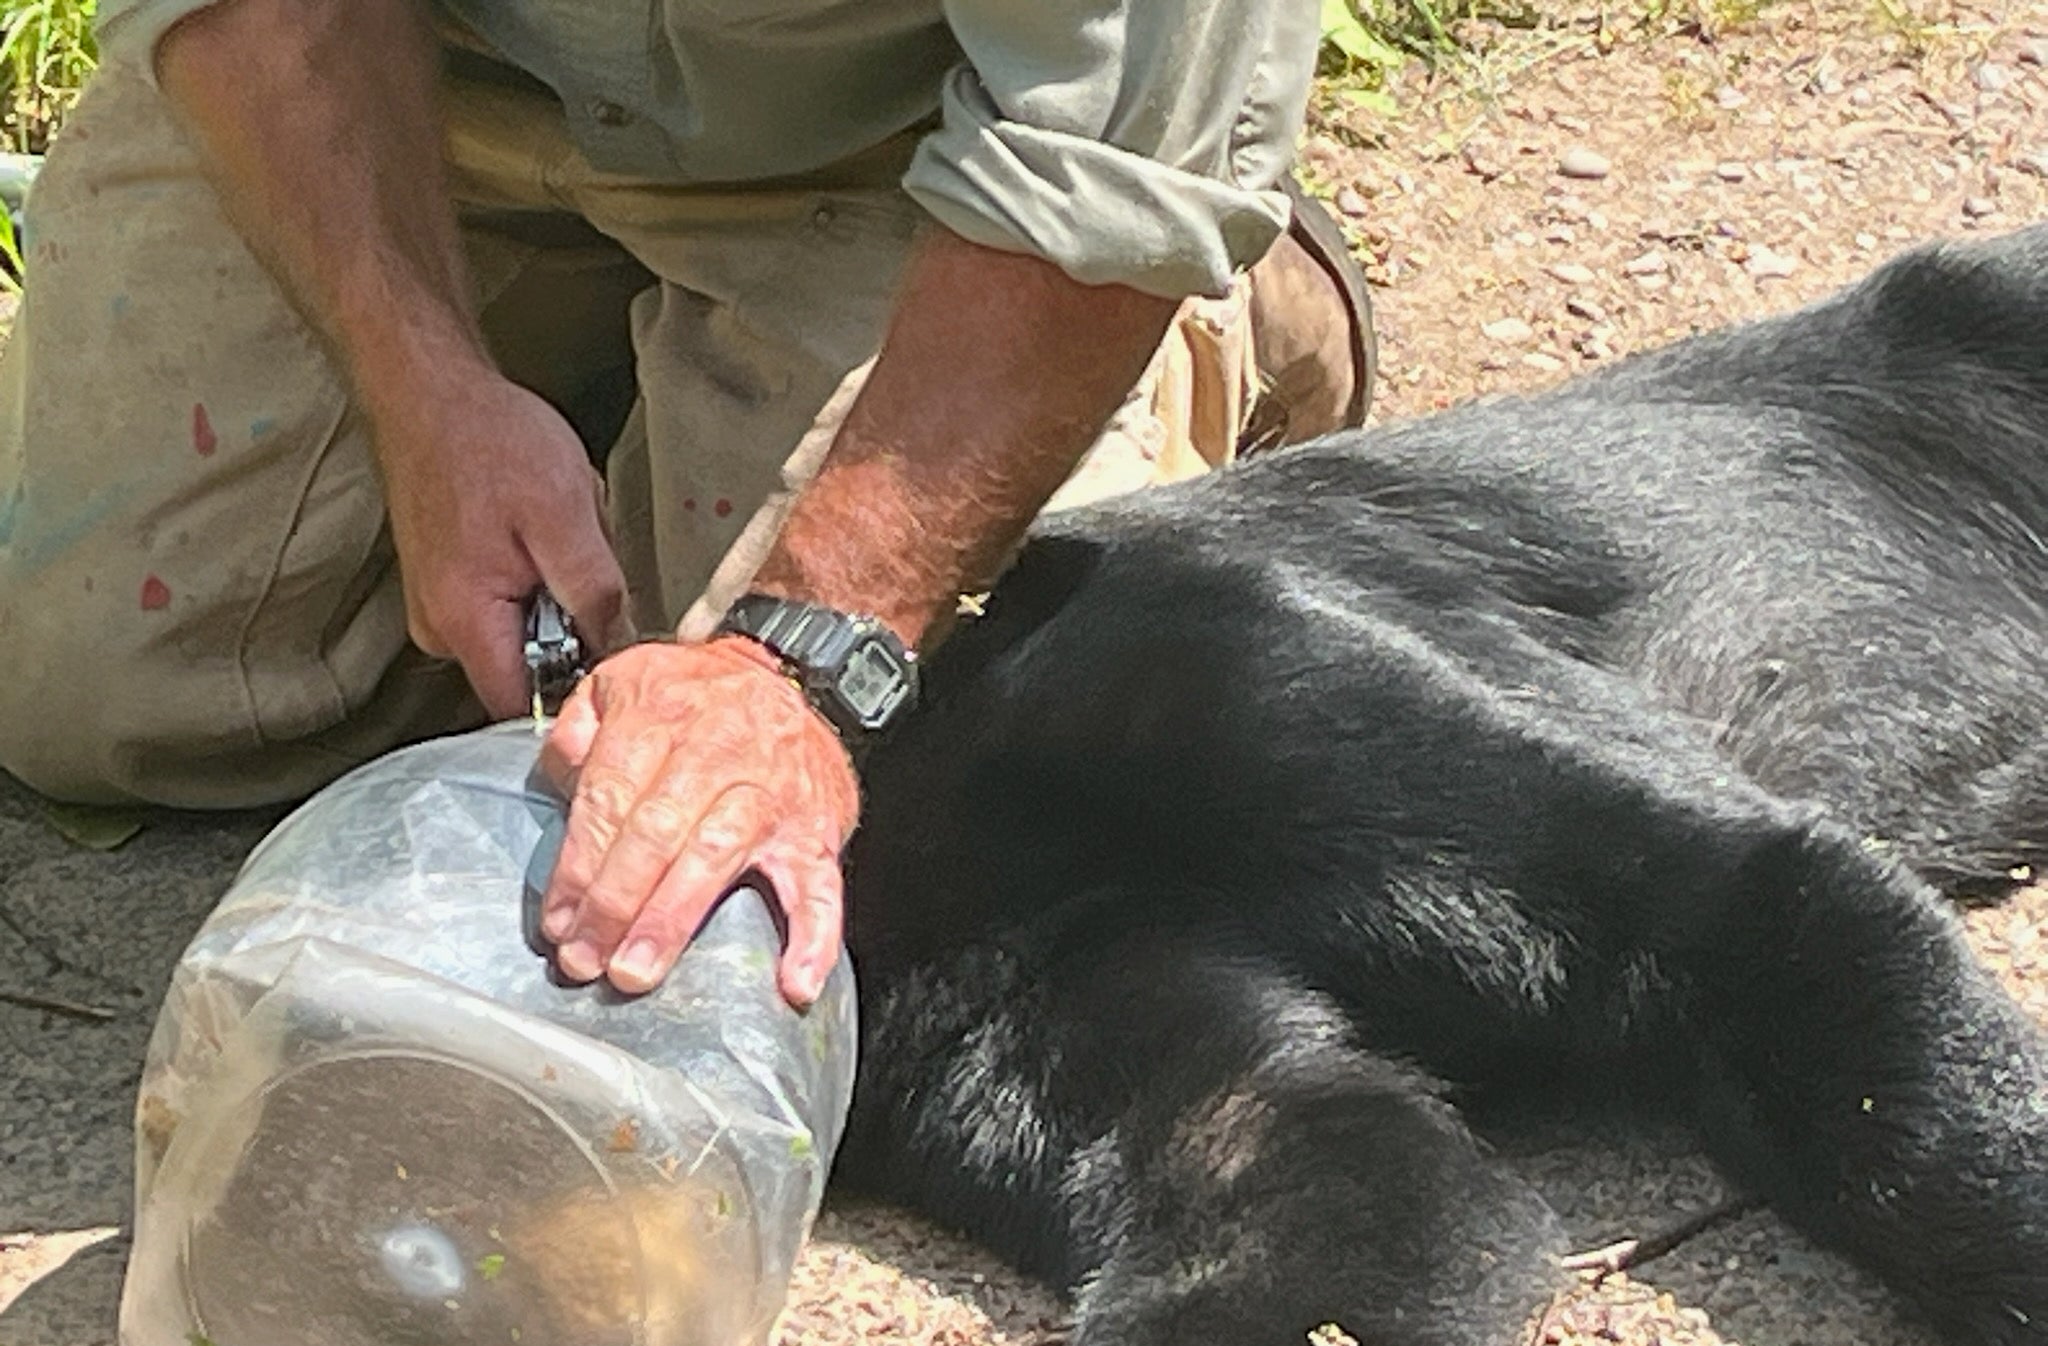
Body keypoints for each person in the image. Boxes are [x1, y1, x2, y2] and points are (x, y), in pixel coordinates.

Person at [0, 0, 1372, 1005]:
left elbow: (1105, 164)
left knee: (884, 844)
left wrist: (804, 669)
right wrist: (424, 400)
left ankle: (1228, 307)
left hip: (912, 155)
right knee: (99, 696)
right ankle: (618, 409)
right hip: (426, 79)